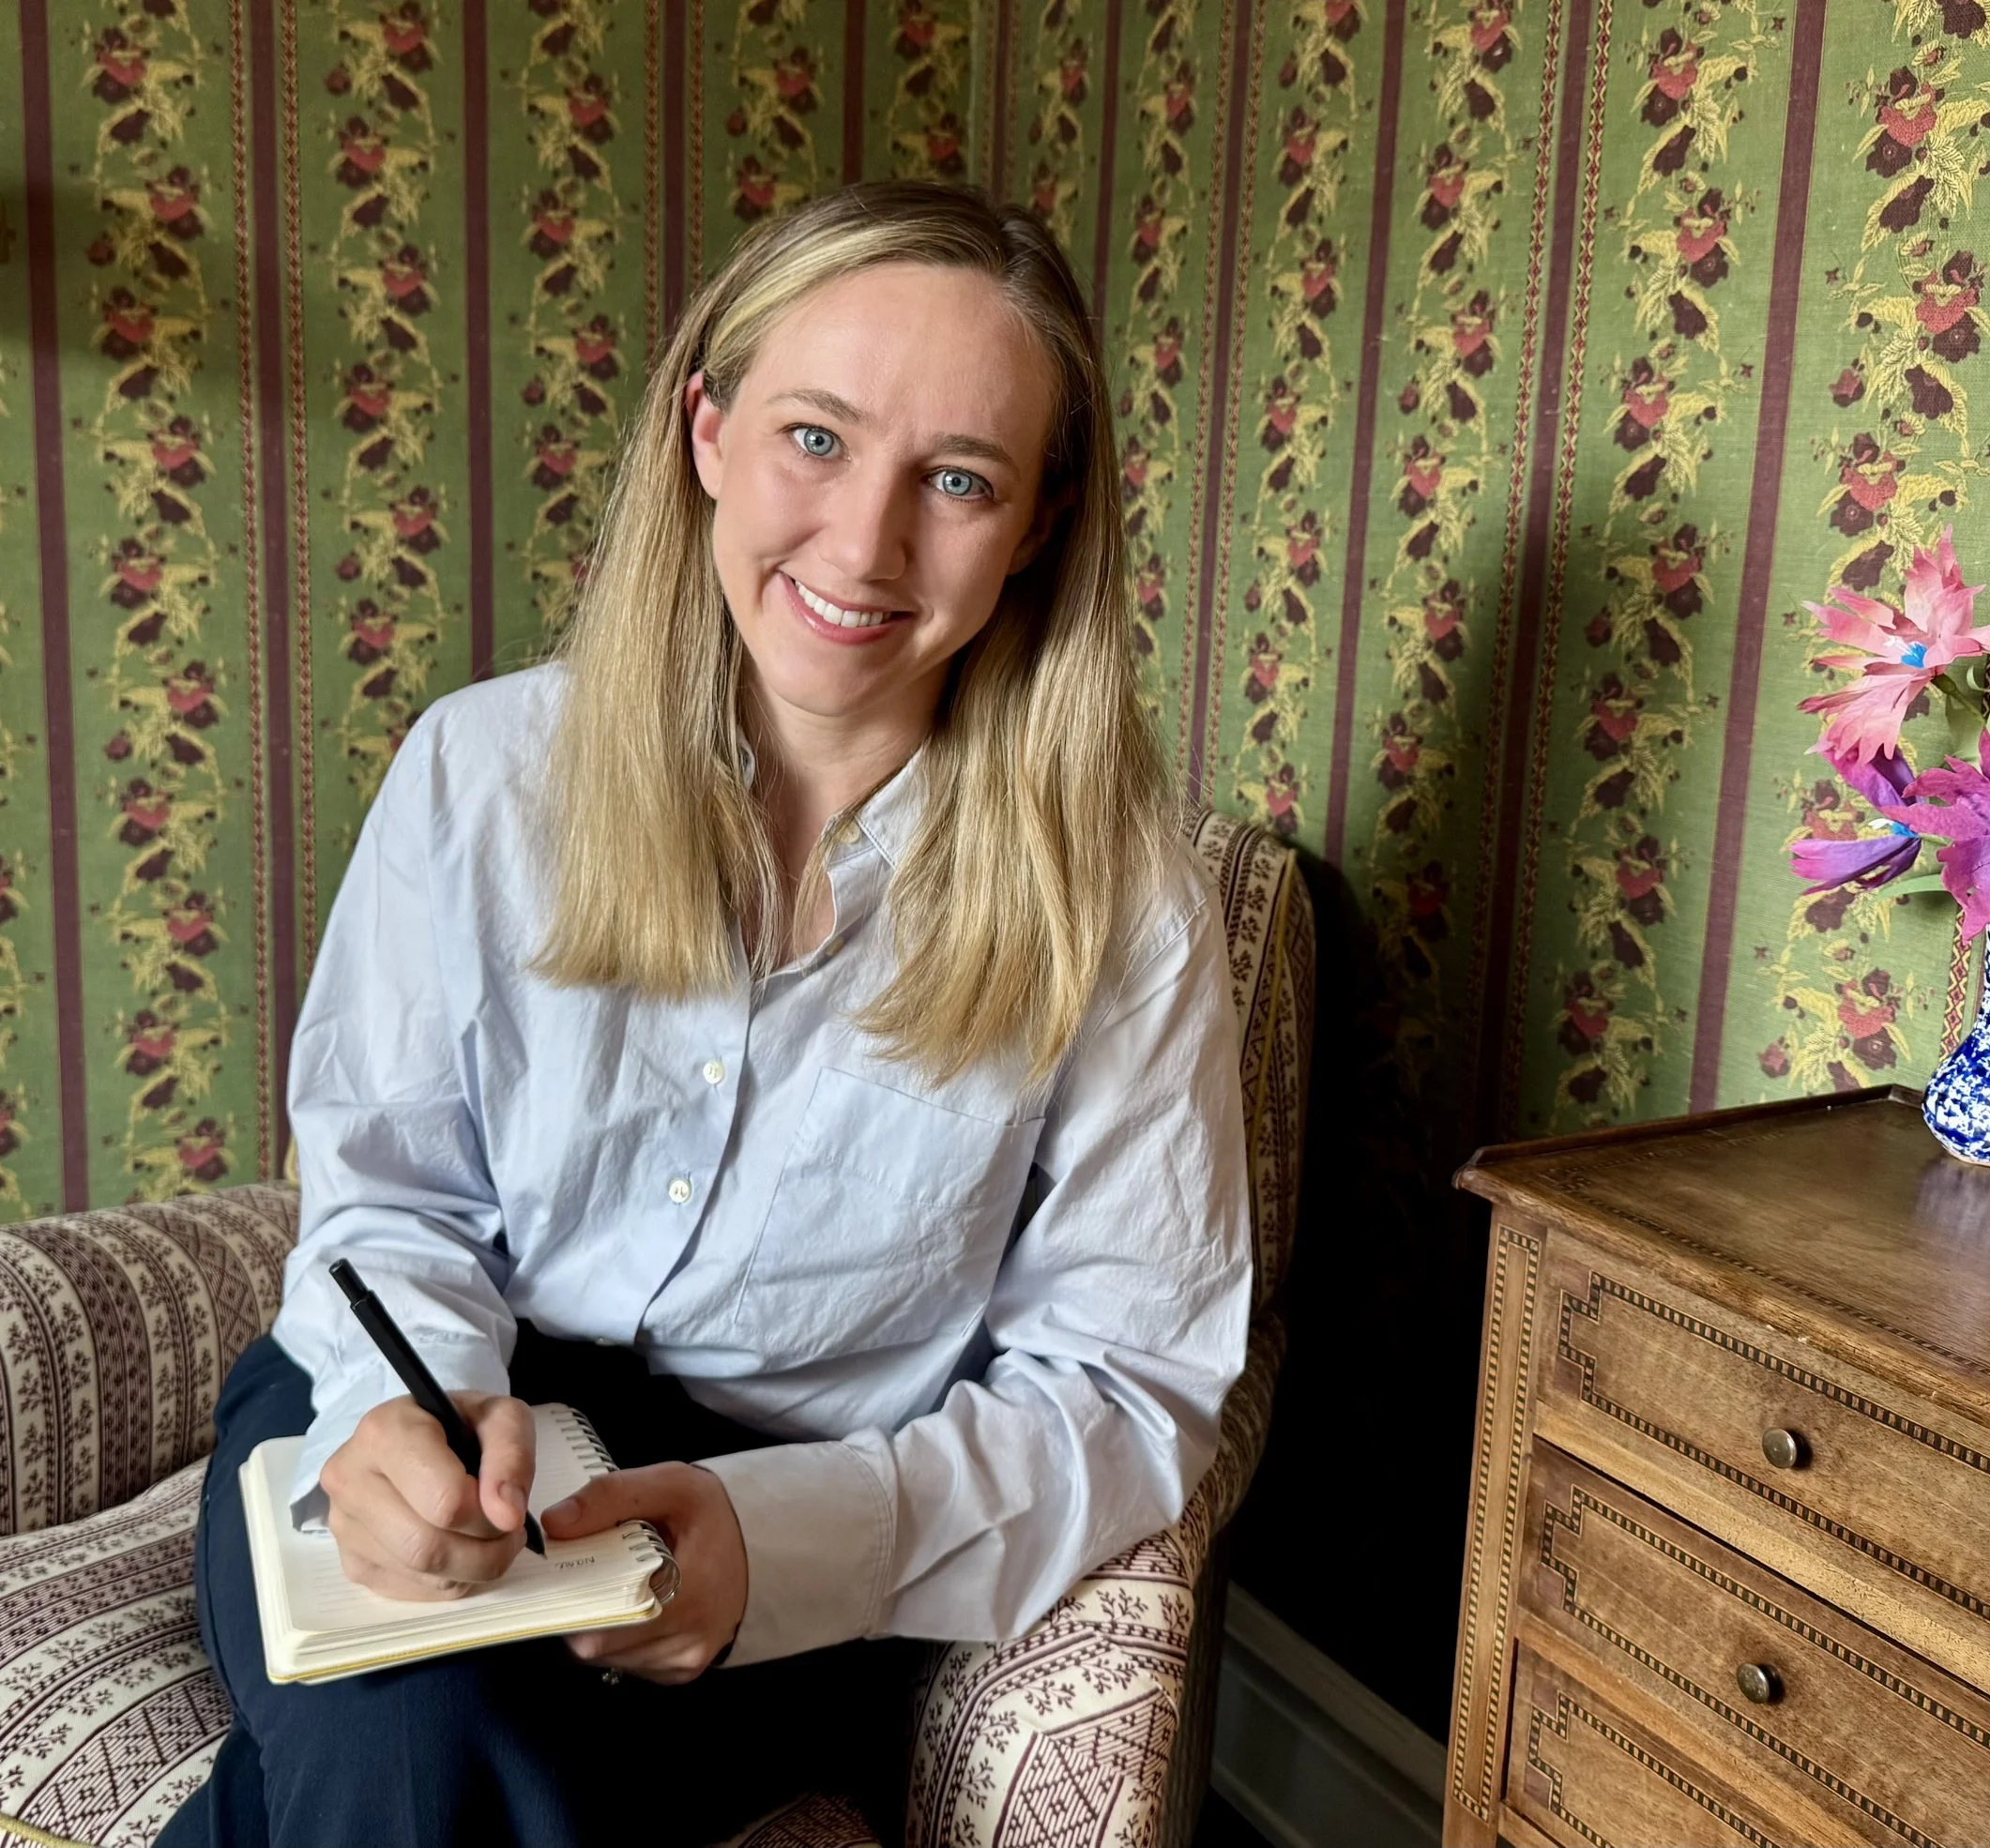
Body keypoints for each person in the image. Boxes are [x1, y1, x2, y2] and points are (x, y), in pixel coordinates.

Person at [159, 180, 1253, 1848]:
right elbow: (392, 1198)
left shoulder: (1120, 906)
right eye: (816, 438)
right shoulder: (480, 774)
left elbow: (1128, 1381)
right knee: (421, 1716)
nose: (866, 545)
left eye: (955, 480)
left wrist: (791, 1538)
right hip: (414, 1398)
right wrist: (414, 1411)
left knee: (412, 1758)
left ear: (1035, 524)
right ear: (708, 430)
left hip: (785, 1539)